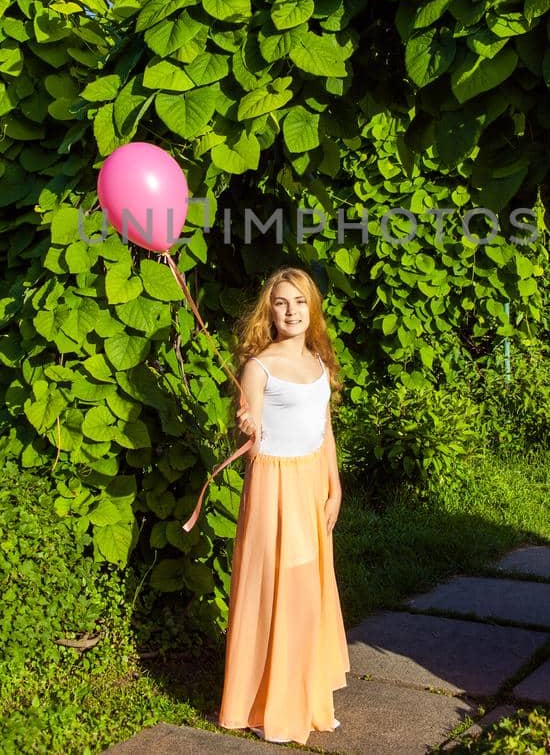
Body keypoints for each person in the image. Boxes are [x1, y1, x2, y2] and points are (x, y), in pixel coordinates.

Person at [214, 266, 351, 744]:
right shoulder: (260, 367)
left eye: (299, 302)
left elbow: (323, 429)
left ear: (311, 308)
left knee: (308, 593)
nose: (291, 311)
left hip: (311, 483)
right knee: (277, 590)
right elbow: (249, 440)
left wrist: (334, 487)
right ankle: (266, 702)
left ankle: (306, 695)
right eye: (281, 303)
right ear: (268, 311)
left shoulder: (317, 361)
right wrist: (247, 426)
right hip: (275, 486)